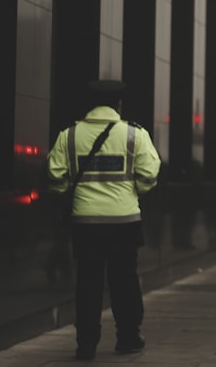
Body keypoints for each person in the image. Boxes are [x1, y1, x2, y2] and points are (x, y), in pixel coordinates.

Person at [46, 79, 161, 361]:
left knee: (88, 280)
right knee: (125, 279)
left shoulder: (69, 135)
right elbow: (149, 176)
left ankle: (86, 344)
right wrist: (132, 190)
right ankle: (128, 337)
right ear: (118, 104)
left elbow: (55, 178)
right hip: (124, 220)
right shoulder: (134, 135)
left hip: (86, 222)